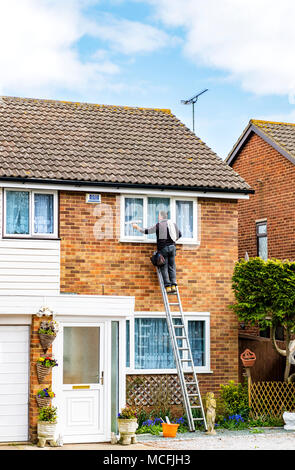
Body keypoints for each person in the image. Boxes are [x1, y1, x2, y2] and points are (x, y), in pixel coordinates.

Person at [132, 210, 182, 294]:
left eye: (158, 215)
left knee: (164, 267)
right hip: (172, 248)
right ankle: (174, 285)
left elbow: (147, 231)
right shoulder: (173, 224)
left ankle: (168, 287)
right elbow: (179, 235)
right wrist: (172, 241)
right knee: (172, 267)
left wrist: (137, 227)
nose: (158, 217)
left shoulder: (159, 225)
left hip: (163, 249)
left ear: (161, 217)